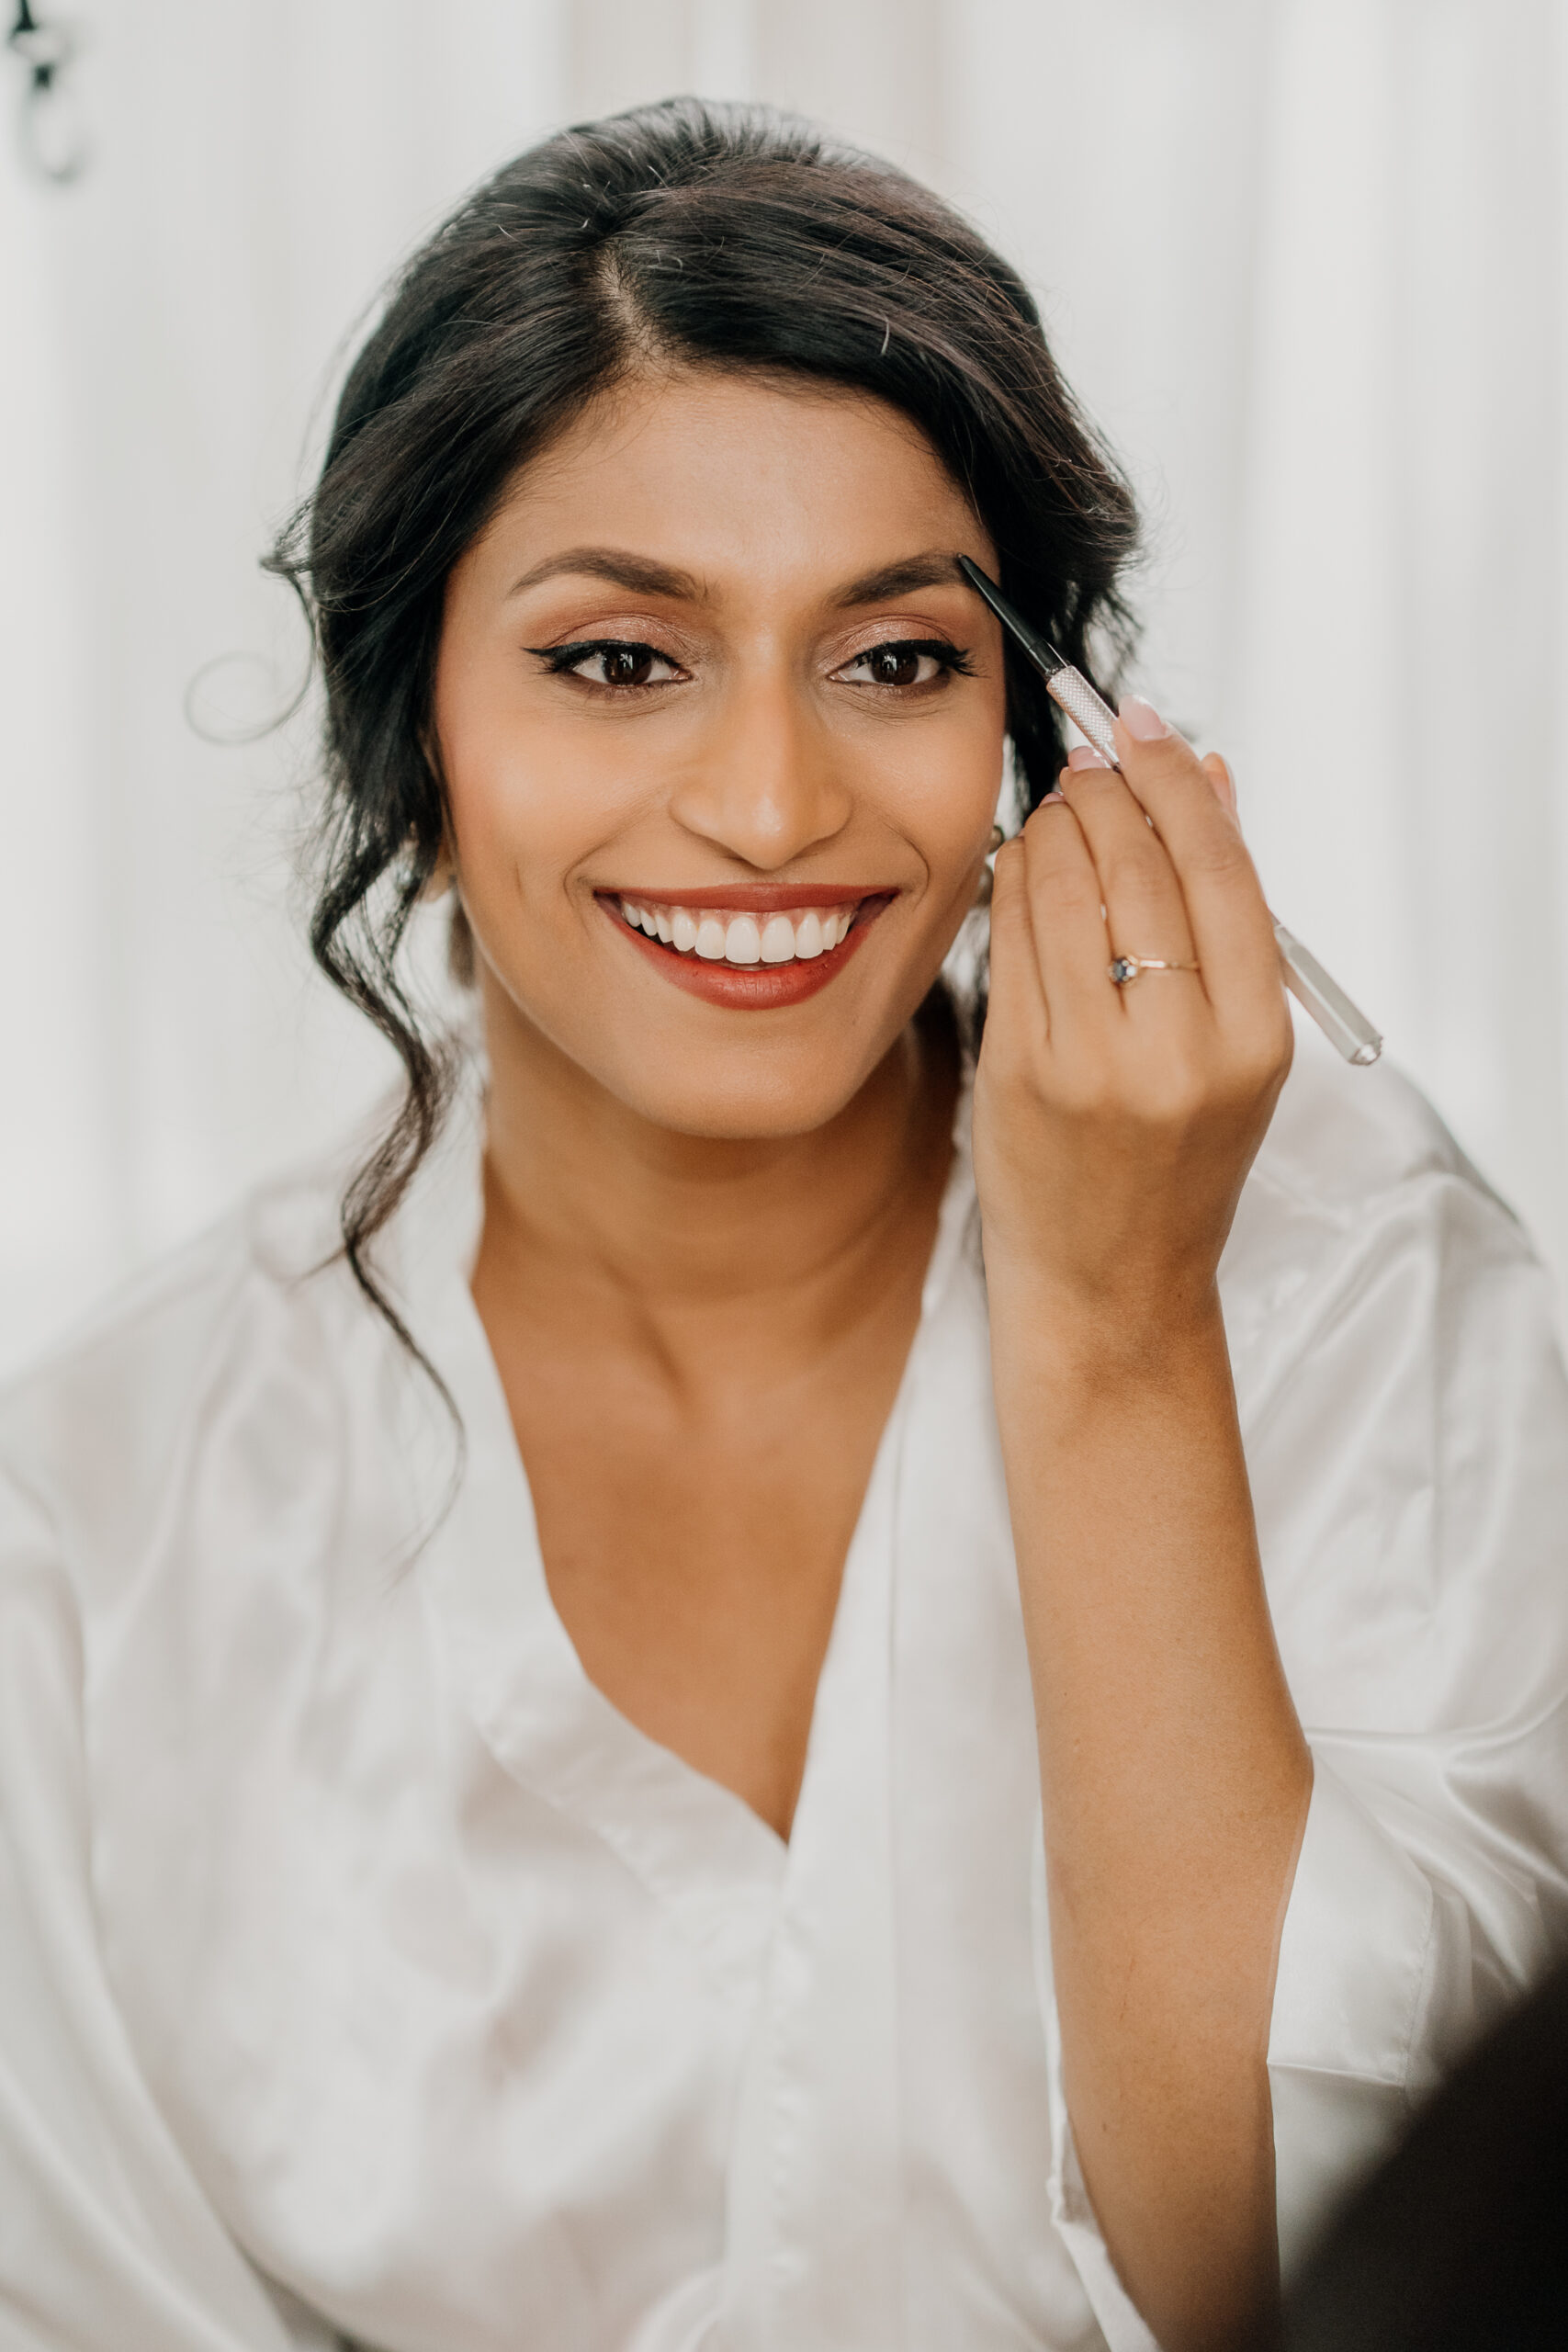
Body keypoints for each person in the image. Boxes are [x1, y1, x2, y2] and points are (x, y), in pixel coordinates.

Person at [1, 96, 1564, 2352]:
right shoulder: (97, 1537)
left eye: (896, 659)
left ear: (1042, 729)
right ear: (407, 740)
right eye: (618, 659)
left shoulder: (1353, 1286)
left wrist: (1117, 1325)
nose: (765, 807)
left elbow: (1306, 2280)